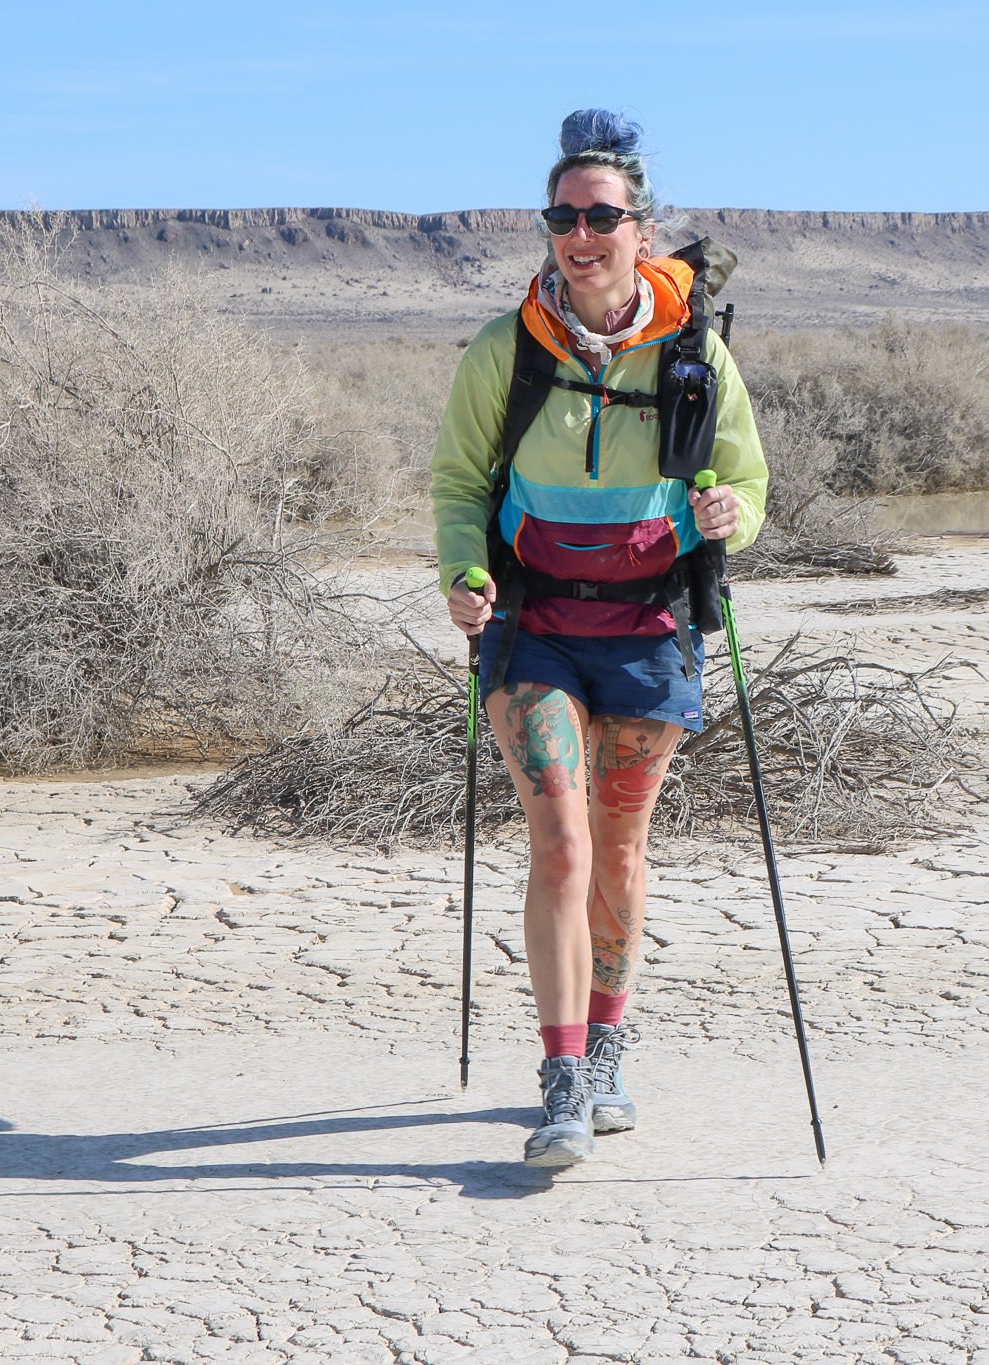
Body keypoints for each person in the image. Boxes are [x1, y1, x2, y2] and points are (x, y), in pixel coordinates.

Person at [430, 109, 768, 1167]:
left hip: (649, 631)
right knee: (562, 843)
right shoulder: (506, 348)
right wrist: (463, 573)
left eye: (601, 216)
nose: (579, 233)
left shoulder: (693, 352)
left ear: (642, 230)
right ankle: (563, 1074)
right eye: (562, 215)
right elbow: (456, 485)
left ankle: (610, 1045)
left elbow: (748, 483)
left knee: (620, 849)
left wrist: (730, 519)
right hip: (533, 628)